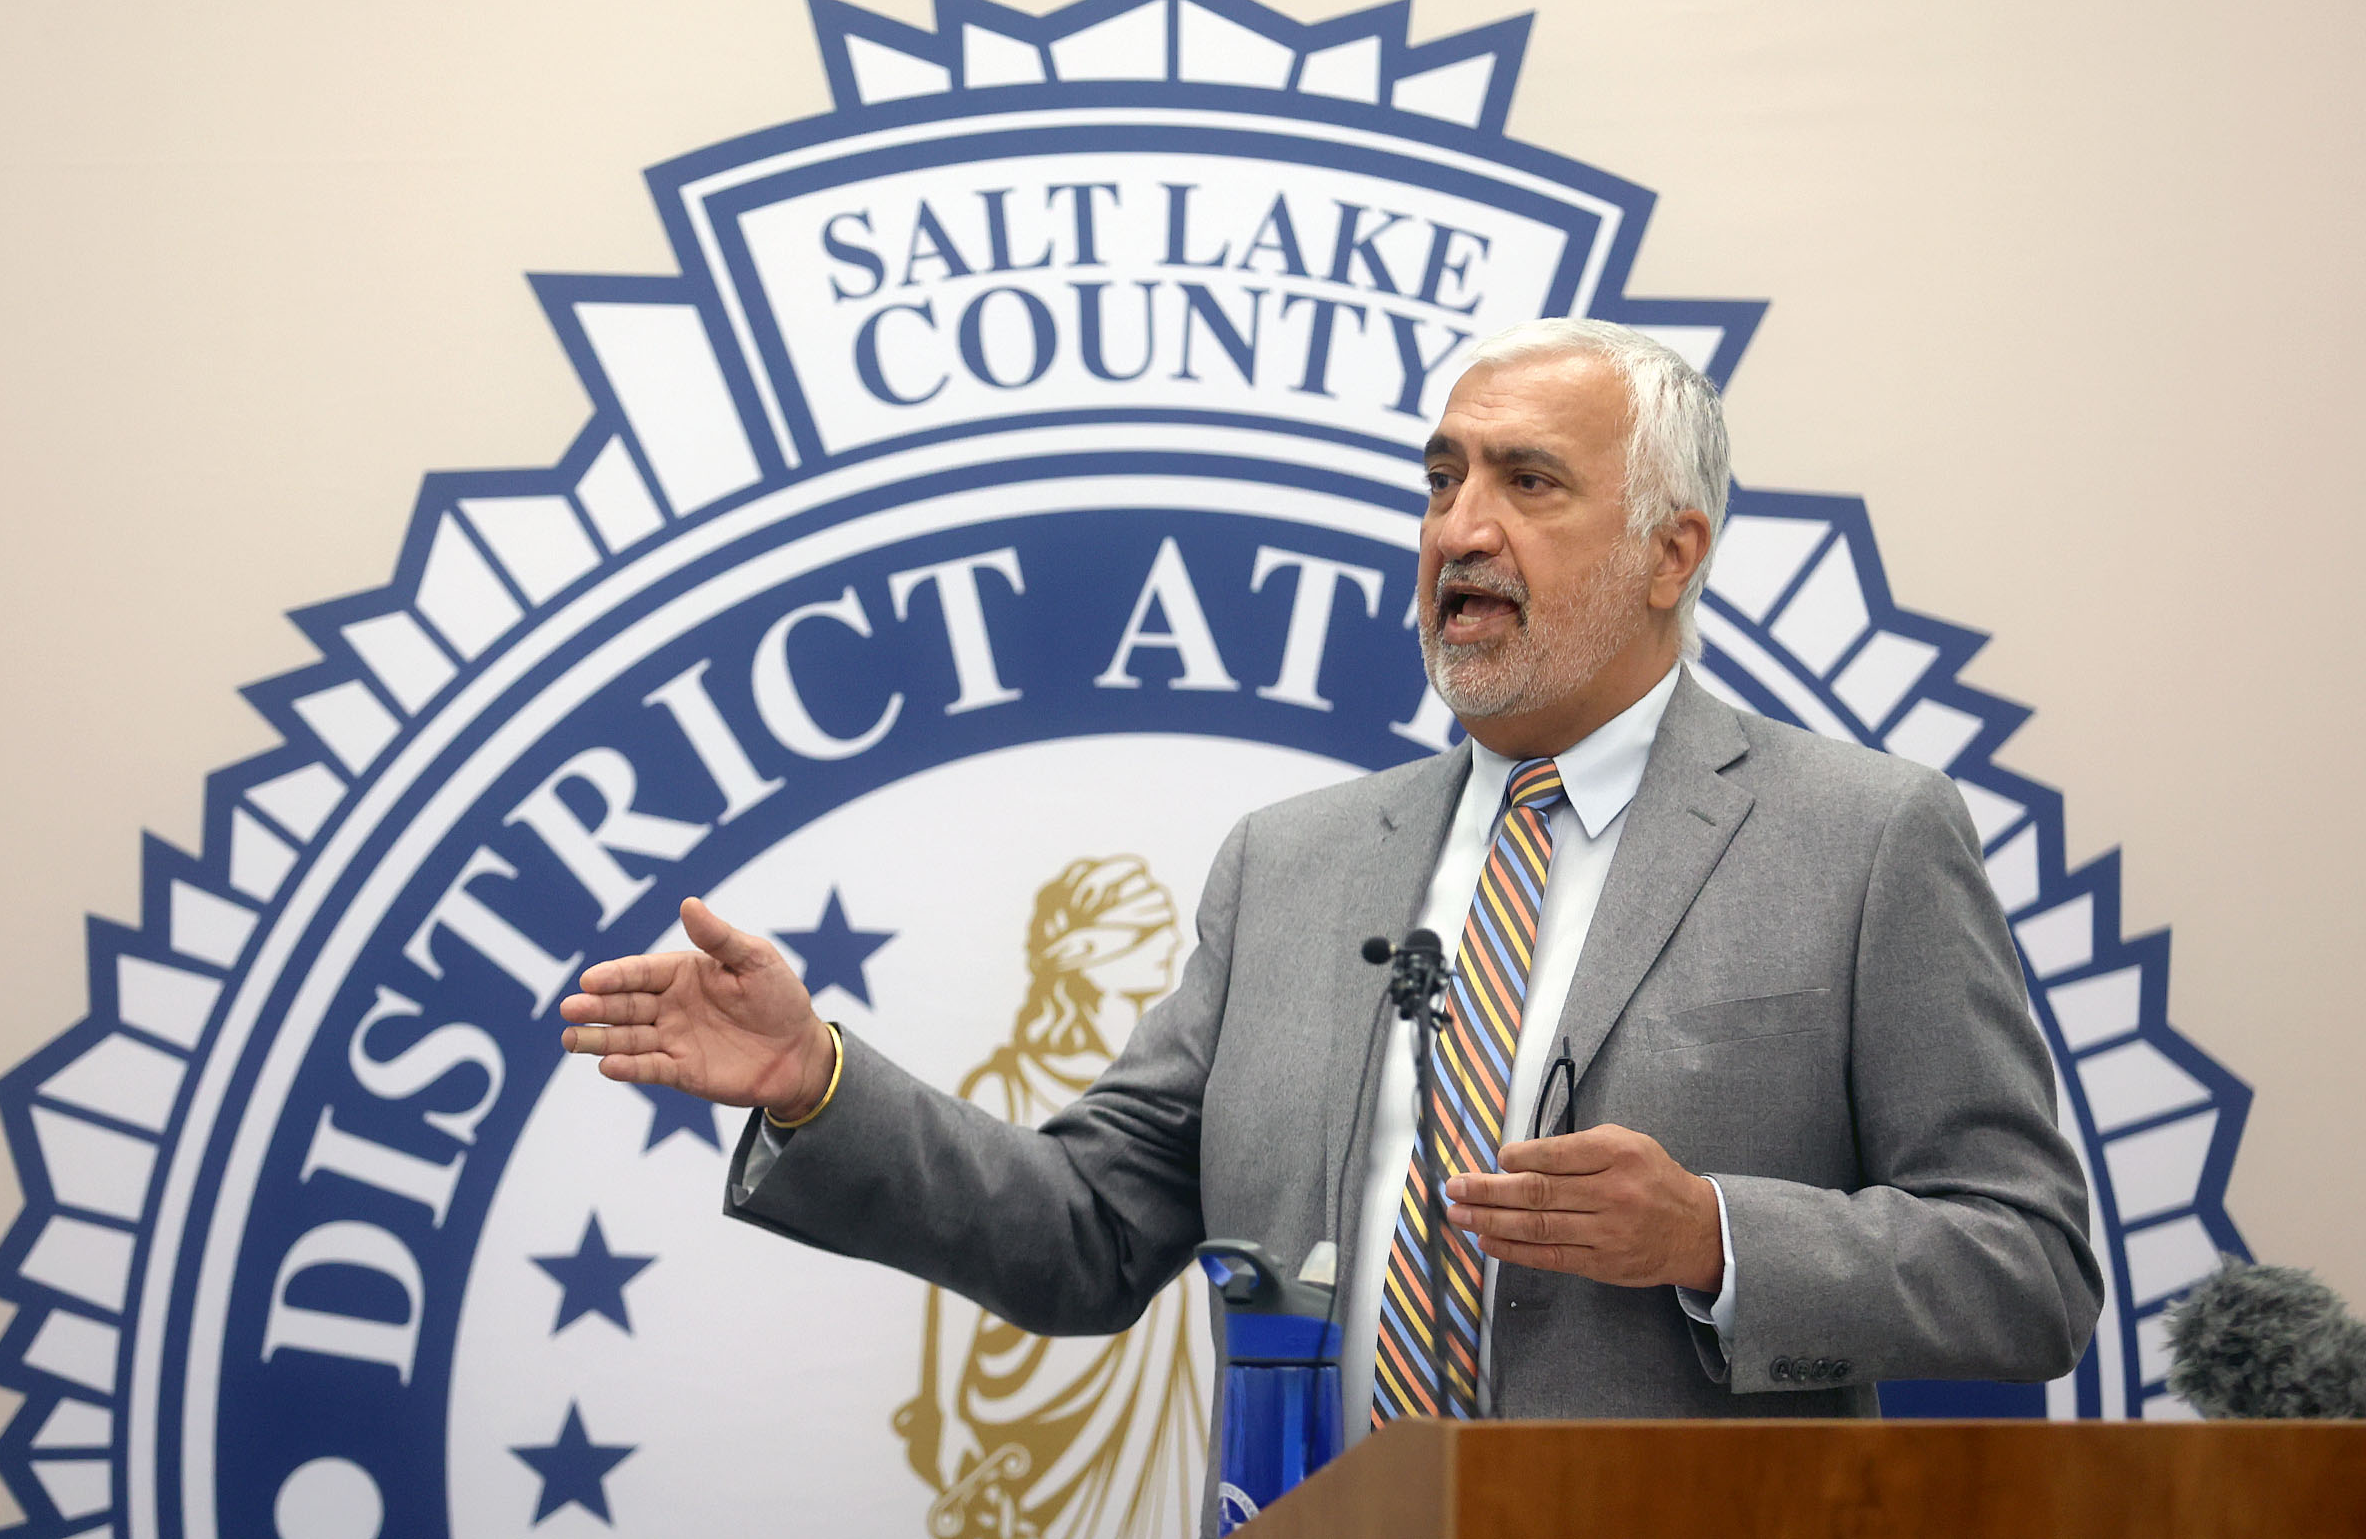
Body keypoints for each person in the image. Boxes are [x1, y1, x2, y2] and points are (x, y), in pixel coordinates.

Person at [560, 319, 2101, 1441]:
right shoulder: (1289, 866)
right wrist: (818, 1083)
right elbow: (1086, 1234)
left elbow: (2028, 1267)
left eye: (1529, 483)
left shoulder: (1861, 838)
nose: (1461, 531)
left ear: (1671, 552)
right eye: (1441, 481)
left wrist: (1713, 1235)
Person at [893, 856, 1210, 1539]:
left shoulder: (1179, 1093)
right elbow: (959, 1262)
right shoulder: (1005, 1086)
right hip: (1029, 1392)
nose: (1169, 943)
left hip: (1148, 1390)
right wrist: (942, 1406)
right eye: (1148, 932)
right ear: (1084, 961)